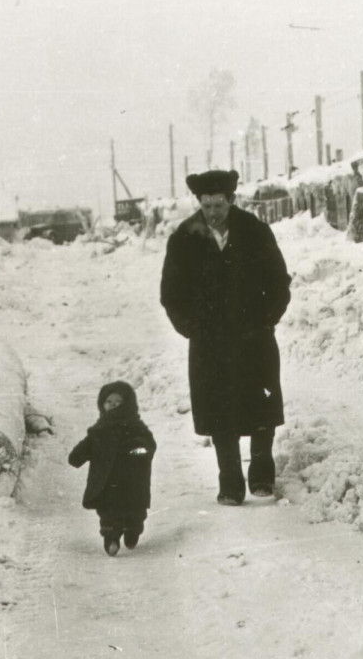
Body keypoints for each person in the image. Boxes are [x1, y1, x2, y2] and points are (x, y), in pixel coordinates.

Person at [160, 169, 291, 506]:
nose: (213, 212)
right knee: (220, 412)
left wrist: (266, 320)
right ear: (199, 203)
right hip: (210, 343)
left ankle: (262, 474)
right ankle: (230, 482)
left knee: (261, 407)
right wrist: (193, 329)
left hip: (254, 338)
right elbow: (171, 294)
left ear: (232, 201)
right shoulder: (184, 238)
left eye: (219, 204)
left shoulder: (255, 232)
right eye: (207, 205)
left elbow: (279, 281)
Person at [68, 380, 156, 556]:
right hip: (106, 482)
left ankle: (133, 531)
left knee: (135, 511)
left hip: (132, 480)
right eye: (109, 402)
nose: (113, 406)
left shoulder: (135, 426)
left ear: (128, 404)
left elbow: (149, 444)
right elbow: (88, 446)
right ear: (102, 405)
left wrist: (139, 451)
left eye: (118, 403)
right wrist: (77, 457)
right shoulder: (99, 429)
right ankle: (111, 539)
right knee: (108, 514)